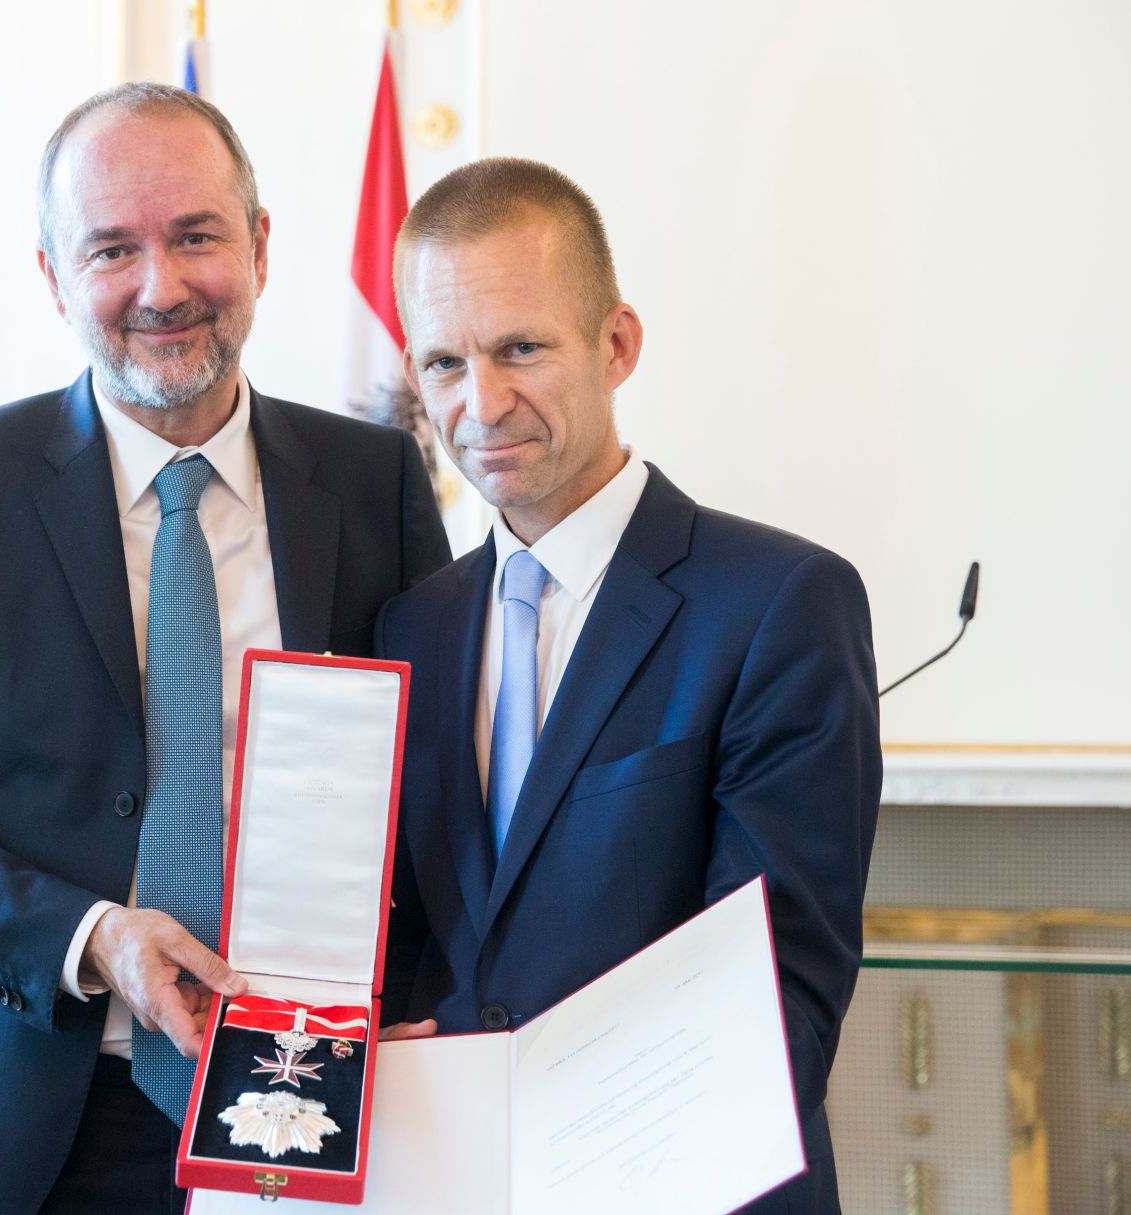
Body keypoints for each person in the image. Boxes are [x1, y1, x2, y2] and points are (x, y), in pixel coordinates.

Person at [0, 83, 450, 1215]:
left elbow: (439, 781)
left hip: (322, 1103)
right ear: (53, 277)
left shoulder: (374, 482)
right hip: (39, 1116)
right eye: (111, 249)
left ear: (257, 245)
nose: (163, 286)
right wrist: (91, 938)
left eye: (196, 235)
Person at [377, 157, 879, 1213]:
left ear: (615, 345)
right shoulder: (409, 627)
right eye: (442, 363)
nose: (482, 402)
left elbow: (779, 1001)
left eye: (519, 347)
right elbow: (419, 946)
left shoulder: (779, 603)